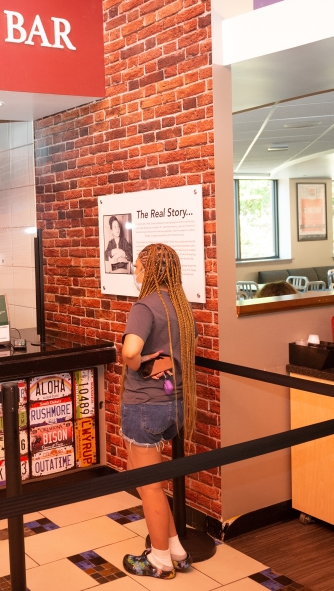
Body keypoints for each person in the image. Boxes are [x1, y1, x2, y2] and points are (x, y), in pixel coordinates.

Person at [119, 244, 197, 580]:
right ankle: (175, 548)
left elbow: (131, 350)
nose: (134, 273)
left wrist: (134, 361)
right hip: (174, 406)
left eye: (136, 266)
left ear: (146, 270)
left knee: (148, 486)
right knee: (154, 483)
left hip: (144, 407)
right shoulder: (180, 306)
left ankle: (160, 561)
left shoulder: (144, 306)